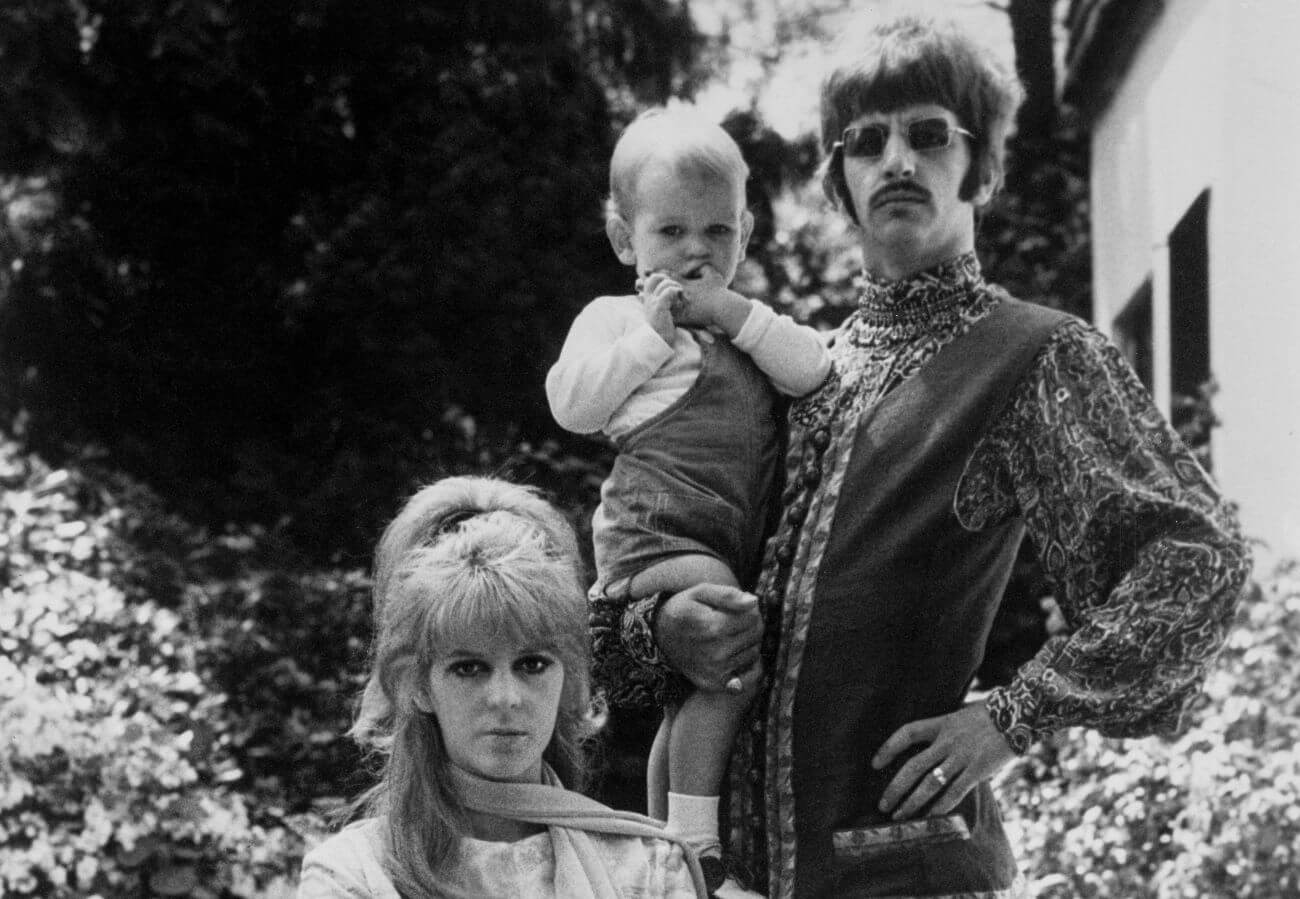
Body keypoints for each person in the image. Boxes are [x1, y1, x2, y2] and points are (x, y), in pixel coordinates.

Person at [590, 16, 1252, 899]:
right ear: (840, 181)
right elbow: (637, 600)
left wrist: (1008, 719)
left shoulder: (1034, 356)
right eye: (867, 141)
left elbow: (1196, 557)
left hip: (906, 870)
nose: (896, 159)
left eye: (929, 133)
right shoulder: (784, 371)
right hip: (734, 877)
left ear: (978, 165)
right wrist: (668, 631)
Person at [547, 109, 831, 896]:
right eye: (672, 230)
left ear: (745, 233)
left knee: (692, 697)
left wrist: (735, 315)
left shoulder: (745, 330)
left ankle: (663, 862)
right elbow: (571, 403)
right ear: (624, 240)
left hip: (715, 533)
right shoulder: (615, 318)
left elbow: (811, 370)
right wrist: (649, 335)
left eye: (718, 231)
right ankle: (699, 850)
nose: (697, 251)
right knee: (733, 664)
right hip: (656, 526)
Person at [297, 476, 711, 898]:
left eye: (532, 665)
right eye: (469, 668)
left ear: (568, 676)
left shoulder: (646, 868)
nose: (506, 699)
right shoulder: (355, 874)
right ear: (415, 683)